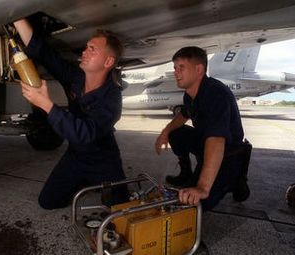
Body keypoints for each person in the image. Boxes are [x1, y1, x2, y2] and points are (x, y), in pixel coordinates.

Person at [13, 19, 128, 209]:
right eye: (86, 47)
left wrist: (45, 104)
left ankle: (94, 181)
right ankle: (83, 180)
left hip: (103, 159)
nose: (84, 51)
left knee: (120, 208)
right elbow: (45, 54)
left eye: (92, 49)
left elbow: (84, 133)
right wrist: (17, 19)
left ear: (108, 62)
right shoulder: (76, 77)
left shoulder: (112, 99)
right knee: (48, 202)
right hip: (76, 155)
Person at [155, 46, 252, 211]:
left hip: (228, 152)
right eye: (175, 67)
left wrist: (202, 187)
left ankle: (236, 180)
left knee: (194, 203)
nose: (176, 72)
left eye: (181, 67)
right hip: (207, 143)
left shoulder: (215, 94)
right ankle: (186, 173)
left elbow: (216, 140)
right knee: (177, 133)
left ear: (199, 69)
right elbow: (183, 115)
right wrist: (165, 132)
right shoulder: (190, 94)